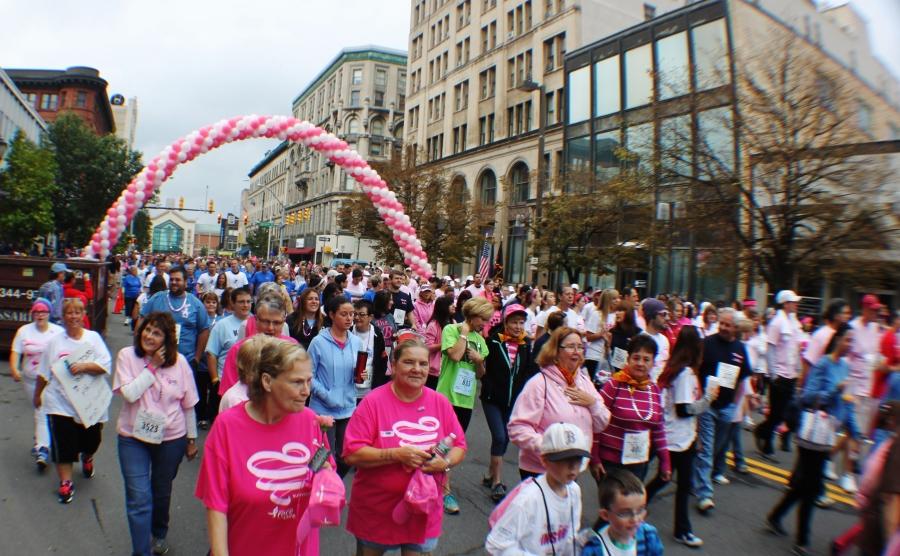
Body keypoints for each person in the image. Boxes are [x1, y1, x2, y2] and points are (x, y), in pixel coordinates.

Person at [195, 335, 332, 556]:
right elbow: (216, 505)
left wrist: (326, 479)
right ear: (267, 381)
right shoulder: (228, 426)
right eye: (297, 382)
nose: (306, 391)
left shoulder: (310, 420)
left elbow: (323, 466)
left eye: (309, 381)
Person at [343, 336, 467, 555]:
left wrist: (444, 463)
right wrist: (395, 454)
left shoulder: (440, 402)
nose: (417, 369)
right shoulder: (373, 402)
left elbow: (458, 445)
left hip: (423, 511)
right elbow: (352, 454)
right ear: (393, 364)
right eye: (409, 362)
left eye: (423, 363)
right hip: (377, 512)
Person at [767, 323, 859, 556]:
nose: (850, 345)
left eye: (852, 341)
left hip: (827, 433)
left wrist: (855, 432)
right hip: (812, 435)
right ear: (837, 339)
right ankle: (802, 540)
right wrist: (834, 392)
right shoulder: (825, 364)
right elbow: (808, 397)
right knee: (811, 487)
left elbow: (846, 404)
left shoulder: (845, 367)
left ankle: (776, 515)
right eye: (847, 340)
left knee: (806, 485)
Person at [114, 312, 199, 556]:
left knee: (161, 491)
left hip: (171, 438)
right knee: (139, 497)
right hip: (133, 437)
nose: (150, 336)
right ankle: (141, 551)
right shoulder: (127, 356)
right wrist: (152, 367)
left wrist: (191, 440)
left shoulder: (180, 362)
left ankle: (159, 532)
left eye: (157, 333)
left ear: (167, 340)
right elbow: (130, 394)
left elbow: (189, 404)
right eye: (147, 330)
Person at [33, 298, 113, 503]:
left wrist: (85, 366)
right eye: (69, 312)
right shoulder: (55, 342)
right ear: (63, 316)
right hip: (59, 403)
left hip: (88, 403)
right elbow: (44, 372)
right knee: (63, 444)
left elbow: (106, 366)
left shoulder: (93, 338)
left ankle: (87, 456)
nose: (73, 316)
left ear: (83, 314)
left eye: (77, 312)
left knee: (92, 440)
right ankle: (66, 482)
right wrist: (38, 394)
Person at [647, 325, 718, 548]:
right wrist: (708, 399)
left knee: (664, 477)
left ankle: (639, 502)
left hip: (673, 434)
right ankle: (682, 530)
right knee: (682, 484)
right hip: (677, 437)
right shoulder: (685, 373)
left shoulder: (674, 368)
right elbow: (684, 409)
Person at [509, 327, 611, 481]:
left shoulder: (584, 382)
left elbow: (601, 424)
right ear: (555, 351)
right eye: (571, 347)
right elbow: (517, 428)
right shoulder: (539, 384)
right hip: (541, 470)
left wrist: (592, 403)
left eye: (580, 347)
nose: (577, 351)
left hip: (572, 469)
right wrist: (552, 448)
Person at [485, 423, 589, 555]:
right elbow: (495, 545)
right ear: (544, 460)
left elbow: (570, 536)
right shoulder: (528, 499)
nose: (573, 466)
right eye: (565, 459)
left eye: (578, 459)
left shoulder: (574, 491)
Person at [435, 296, 492, 514]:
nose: (484, 324)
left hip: (466, 400)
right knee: (440, 444)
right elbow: (456, 355)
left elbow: (481, 374)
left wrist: (479, 361)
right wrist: (464, 334)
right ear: (473, 315)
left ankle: (440, 483)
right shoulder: (452, 329)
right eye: (482, 319)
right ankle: (444, 490)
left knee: (454, 447)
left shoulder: (482, 341)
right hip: (446, 397)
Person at [692, 307, 753, 512]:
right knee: (707, 449)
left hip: (727, 406)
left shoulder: (740, 348)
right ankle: (705, 494)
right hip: (708, 405)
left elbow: (744, 378)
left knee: (717, 448)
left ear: (736, 327)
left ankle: (695, 474)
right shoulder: (707, 343)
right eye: (722, 324)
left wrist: (735, 404)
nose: (724, 328)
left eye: (728, 325)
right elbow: (696, 369)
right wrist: (701, 396)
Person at [480, 304, 539, 502]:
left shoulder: (526, 345)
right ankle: (497, 481)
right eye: (514, 322)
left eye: (521, 322)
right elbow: (483, 365)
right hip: (492, 398)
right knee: (499, 436)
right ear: (505, 322)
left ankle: (489, 473)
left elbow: (530, 372)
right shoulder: (494, 341)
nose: (518, 326)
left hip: (513, 401)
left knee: (504, 439)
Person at [597, 334, 670, 482]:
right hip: (611, 462)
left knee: (633, 504)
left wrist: (665, 461)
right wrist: (595, 459)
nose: (641, 363)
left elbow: (658, 428)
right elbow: (596, 422)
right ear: (628, 359)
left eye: (646, 359)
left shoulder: (654, 390)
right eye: (636, 358)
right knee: (615, 504)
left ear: (653, 363)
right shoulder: (614, 385)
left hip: (639, 461)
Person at [308, 296, 361, 477]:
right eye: (343, 314)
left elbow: (359, 373)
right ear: (331, 315)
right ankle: (312, 490)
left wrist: (361, 377)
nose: (349, 318)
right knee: (322, 457)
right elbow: (308, 376)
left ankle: (333, 488)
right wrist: (326, 395)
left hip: (347, 407)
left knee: (346, 455)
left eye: (351, 314)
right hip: (323, 409)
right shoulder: (318, 342)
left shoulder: (356, 342)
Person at [10, 298, 63, 470]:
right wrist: (14, 369)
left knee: (45, 411)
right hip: (31, 379)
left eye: (43, 312)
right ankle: (44, 442)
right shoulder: (24, 331)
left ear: (49, 314)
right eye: (37, 312)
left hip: (53, 380)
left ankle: (43, 448)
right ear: (32, 314)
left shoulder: (58, 332)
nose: (40, 315)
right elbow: (15, 352)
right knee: (40, 410)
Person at [137, 266, 210, 380]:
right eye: (171, 280)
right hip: (155, 358)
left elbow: (204, 330)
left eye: (178, 280)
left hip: (186, 361)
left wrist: (197, 357)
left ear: (185, 282)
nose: (174, 282)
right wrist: (139, 346)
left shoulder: (196, 304)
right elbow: (141, 319)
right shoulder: (157, 298)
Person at [218, 293, 298, 396]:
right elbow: (228, 393)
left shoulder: (292, 347)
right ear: (255, 320)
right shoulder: (239, 350)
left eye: (277, 323)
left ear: (284, 322)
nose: (270, 328)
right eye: (265, 321)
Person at [756, 290, 803, 459]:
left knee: (787, 412)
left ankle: (763, 431)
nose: (796, 304)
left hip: (791, 375)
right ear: (785, 303)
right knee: (777, 412)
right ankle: (766, 440)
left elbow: (796, 349)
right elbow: (771, 349)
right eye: (793, 302)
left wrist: (798, 370)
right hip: (779, 375)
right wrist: (773, 374)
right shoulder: (777, 323)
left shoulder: (794, 323)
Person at [580, 469, 665, 556]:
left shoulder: (649, 537)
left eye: (640, 510)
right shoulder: (594, 550)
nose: (635, 519)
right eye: (625, 513)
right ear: (605, 515)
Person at [204, 287, 253, 424]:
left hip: (250, 385)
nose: (245, 305)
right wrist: (215, 380)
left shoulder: (257, 322)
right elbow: (211, 354)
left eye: (248, 301)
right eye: (241, 302)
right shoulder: (222, 325)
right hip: (226, 384)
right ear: (233, 303)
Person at [351, 299, 389, 398]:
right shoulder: (348, 332)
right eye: (355, 314)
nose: (357, 317)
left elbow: (382, 361)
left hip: (370, 388)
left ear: (370, 317)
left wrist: (378, 385)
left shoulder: (377, 334)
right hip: (349, 388)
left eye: (362, 315)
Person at [584, 288, 619, 377]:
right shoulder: (597, 314)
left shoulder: (618, 315)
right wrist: (601, 334)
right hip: (595, 356)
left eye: (618, 298)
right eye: (614, 299)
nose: (617, 301)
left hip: (611, 357)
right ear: (607, 301)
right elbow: (588, 336)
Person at [424, 295, 454, 390]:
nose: (454, 306)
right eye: (450, 304)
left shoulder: (453, 322)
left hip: (448, 368)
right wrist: (445, 344)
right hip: (434, 371)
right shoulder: (433, 325)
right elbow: (427, 347)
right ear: (443, 307)